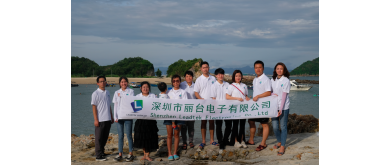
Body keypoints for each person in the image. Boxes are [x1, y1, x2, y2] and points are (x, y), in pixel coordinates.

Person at [247, 60, 273, 152]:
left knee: (264, 124)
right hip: (255, 105)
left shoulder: (266, 79)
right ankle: (251, 140)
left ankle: (263, 143)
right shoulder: (255, 79)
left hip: (263, 105)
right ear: (254, 69)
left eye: (259, 67)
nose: (258, 69)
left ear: (263, 68)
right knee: (250, 121)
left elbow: (268, 92)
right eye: (256, 67)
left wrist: (258, 96)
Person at [194, 61, 218, 150]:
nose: (205, 69)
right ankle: (203, 141)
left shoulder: (213, 79)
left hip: (212, 103)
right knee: (203, 122)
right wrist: (200, 99)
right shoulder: (199, 79)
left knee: (212, 122)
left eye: (206, 67)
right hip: (203, 104)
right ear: (201, 69)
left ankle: (212, 140)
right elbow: (196, 92)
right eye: (203, 67)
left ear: (209, 68)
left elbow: (217, 89)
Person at [133, 81, 159, 162]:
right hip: (141, 120)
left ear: (149, 88)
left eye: (147, 87)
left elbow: (157, 107)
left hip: (150, 120)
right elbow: (135, 109)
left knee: (150, 137)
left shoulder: (153, 96)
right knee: (142, 137)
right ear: (140, 88)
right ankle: (144, 154)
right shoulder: (137, 96)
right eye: (143, 87)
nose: (145, 89)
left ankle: (148, 155)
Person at [91, 76, 114, 161]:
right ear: (97, 83)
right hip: (100, 119)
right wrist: (95, 119)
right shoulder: (95, 93)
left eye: (104, 81)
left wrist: (111, 116)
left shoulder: (107, 92)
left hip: (107, 118)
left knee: (105, 137)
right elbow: (94, 107)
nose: (102, 83)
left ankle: (102, 151)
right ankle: (98, 155)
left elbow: (109, 106)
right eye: (100, 81)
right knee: (98, 138)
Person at [226, 70, 250, 148]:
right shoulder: (231, 86)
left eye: (239, 76)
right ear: (234, 77)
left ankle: (242, 140)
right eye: (236, 76)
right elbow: (227, 97)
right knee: (235, 125)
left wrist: (247, 98)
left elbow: (246, 95)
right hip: (235, 108)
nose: (238, 77)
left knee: (242, 125)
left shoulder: (244, 85)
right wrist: (237, 98)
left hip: (243, 108)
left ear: (241, 77)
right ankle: (236, 141)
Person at [165, 75, 188, 160]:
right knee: (169, 135)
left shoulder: (183, 92)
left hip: (179, 116)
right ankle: (169, 153)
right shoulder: (168, 92)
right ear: (172, 82)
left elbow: (186, 104)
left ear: (180, 82)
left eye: (177, 81)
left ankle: (175, 152)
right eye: (174, 81)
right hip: (168, 116)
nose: (175, 82)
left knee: (177, 134)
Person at [112, 77, 135, 161]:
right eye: (122, 82)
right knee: (120, 135)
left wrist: (122, 95)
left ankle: (130, 153)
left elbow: (131, 102)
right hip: (119, 117)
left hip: (128, 116)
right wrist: (115, 116)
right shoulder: (116, 92)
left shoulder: (131, 91)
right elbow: (115, 105)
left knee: (129, 135)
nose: (123, 83)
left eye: (125, 82)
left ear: (127, 83)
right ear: (119, 83)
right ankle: (120, 154)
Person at [271, 62, 291, 156]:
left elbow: (284, 95)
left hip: (284, 107)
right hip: (274, 106)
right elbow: (270, 92)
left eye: (281, 69)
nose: (279, 70)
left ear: (284, 70)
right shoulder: (273, 79)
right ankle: (279, 141)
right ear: (275, 70)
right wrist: (271, 94)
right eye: (277, 68)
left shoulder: (286, 80)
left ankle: (282, 145)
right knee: (275, 126)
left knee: (283, 127)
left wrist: (281, 109)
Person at [210, 68, 229, 153]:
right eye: (219, 74)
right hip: (218, 108)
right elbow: (213, 99)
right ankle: (220, 142)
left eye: (222, 74)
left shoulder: (227, 84)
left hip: (227, 108)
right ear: (216, 76)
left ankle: (225, 140)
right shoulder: (213, 86)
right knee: (218, 126)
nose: (221, 76)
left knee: (228, 126)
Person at [180, 71, 196, 149]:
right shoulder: (181, 85)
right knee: (183, 127)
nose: (188, 78)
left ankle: (191, 141)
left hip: (192, 109)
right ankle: (184, 142)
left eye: (190, 76)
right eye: (187, 76)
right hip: (183, 109)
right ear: (185, 77)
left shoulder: (196, 86)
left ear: (192, 77)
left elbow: (198, 96)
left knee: (191, 126)